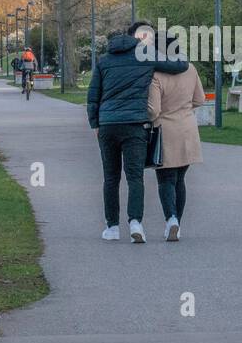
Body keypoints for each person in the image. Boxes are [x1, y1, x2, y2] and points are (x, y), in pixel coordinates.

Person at [87, 21, 188, 243]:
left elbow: (93, 96)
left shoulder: (104, 61)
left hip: (107, 124)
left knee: (111, 178)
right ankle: (136, 224)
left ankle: (112, 228)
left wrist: (95, 124)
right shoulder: (146, 57)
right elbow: (180, 66)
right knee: (135, 177)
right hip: (135, 125)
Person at [147, 36, 207, 242]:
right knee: (180, 179)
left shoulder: (155, 74)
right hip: (188, 129)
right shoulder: (190, 69)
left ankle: (171, 219)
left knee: (165, 179)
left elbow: (154, 110)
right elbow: (200, 99)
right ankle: (177, 224)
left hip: (165, 131)